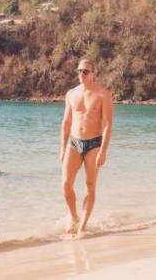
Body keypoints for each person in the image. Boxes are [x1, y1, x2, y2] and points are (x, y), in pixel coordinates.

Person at [59, 58, 113, 237]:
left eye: (85, 71)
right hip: (74, 143)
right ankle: (74, 217)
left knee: (90, 185)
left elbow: (107, 124)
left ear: (94, 73)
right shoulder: (71, 94)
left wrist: (103, 151)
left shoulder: (103, 94)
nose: (81, 74)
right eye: (79, 71)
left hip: (94, 143)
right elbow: (66, 122)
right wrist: (62, 147)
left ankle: (82, 227)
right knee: (66, 185)